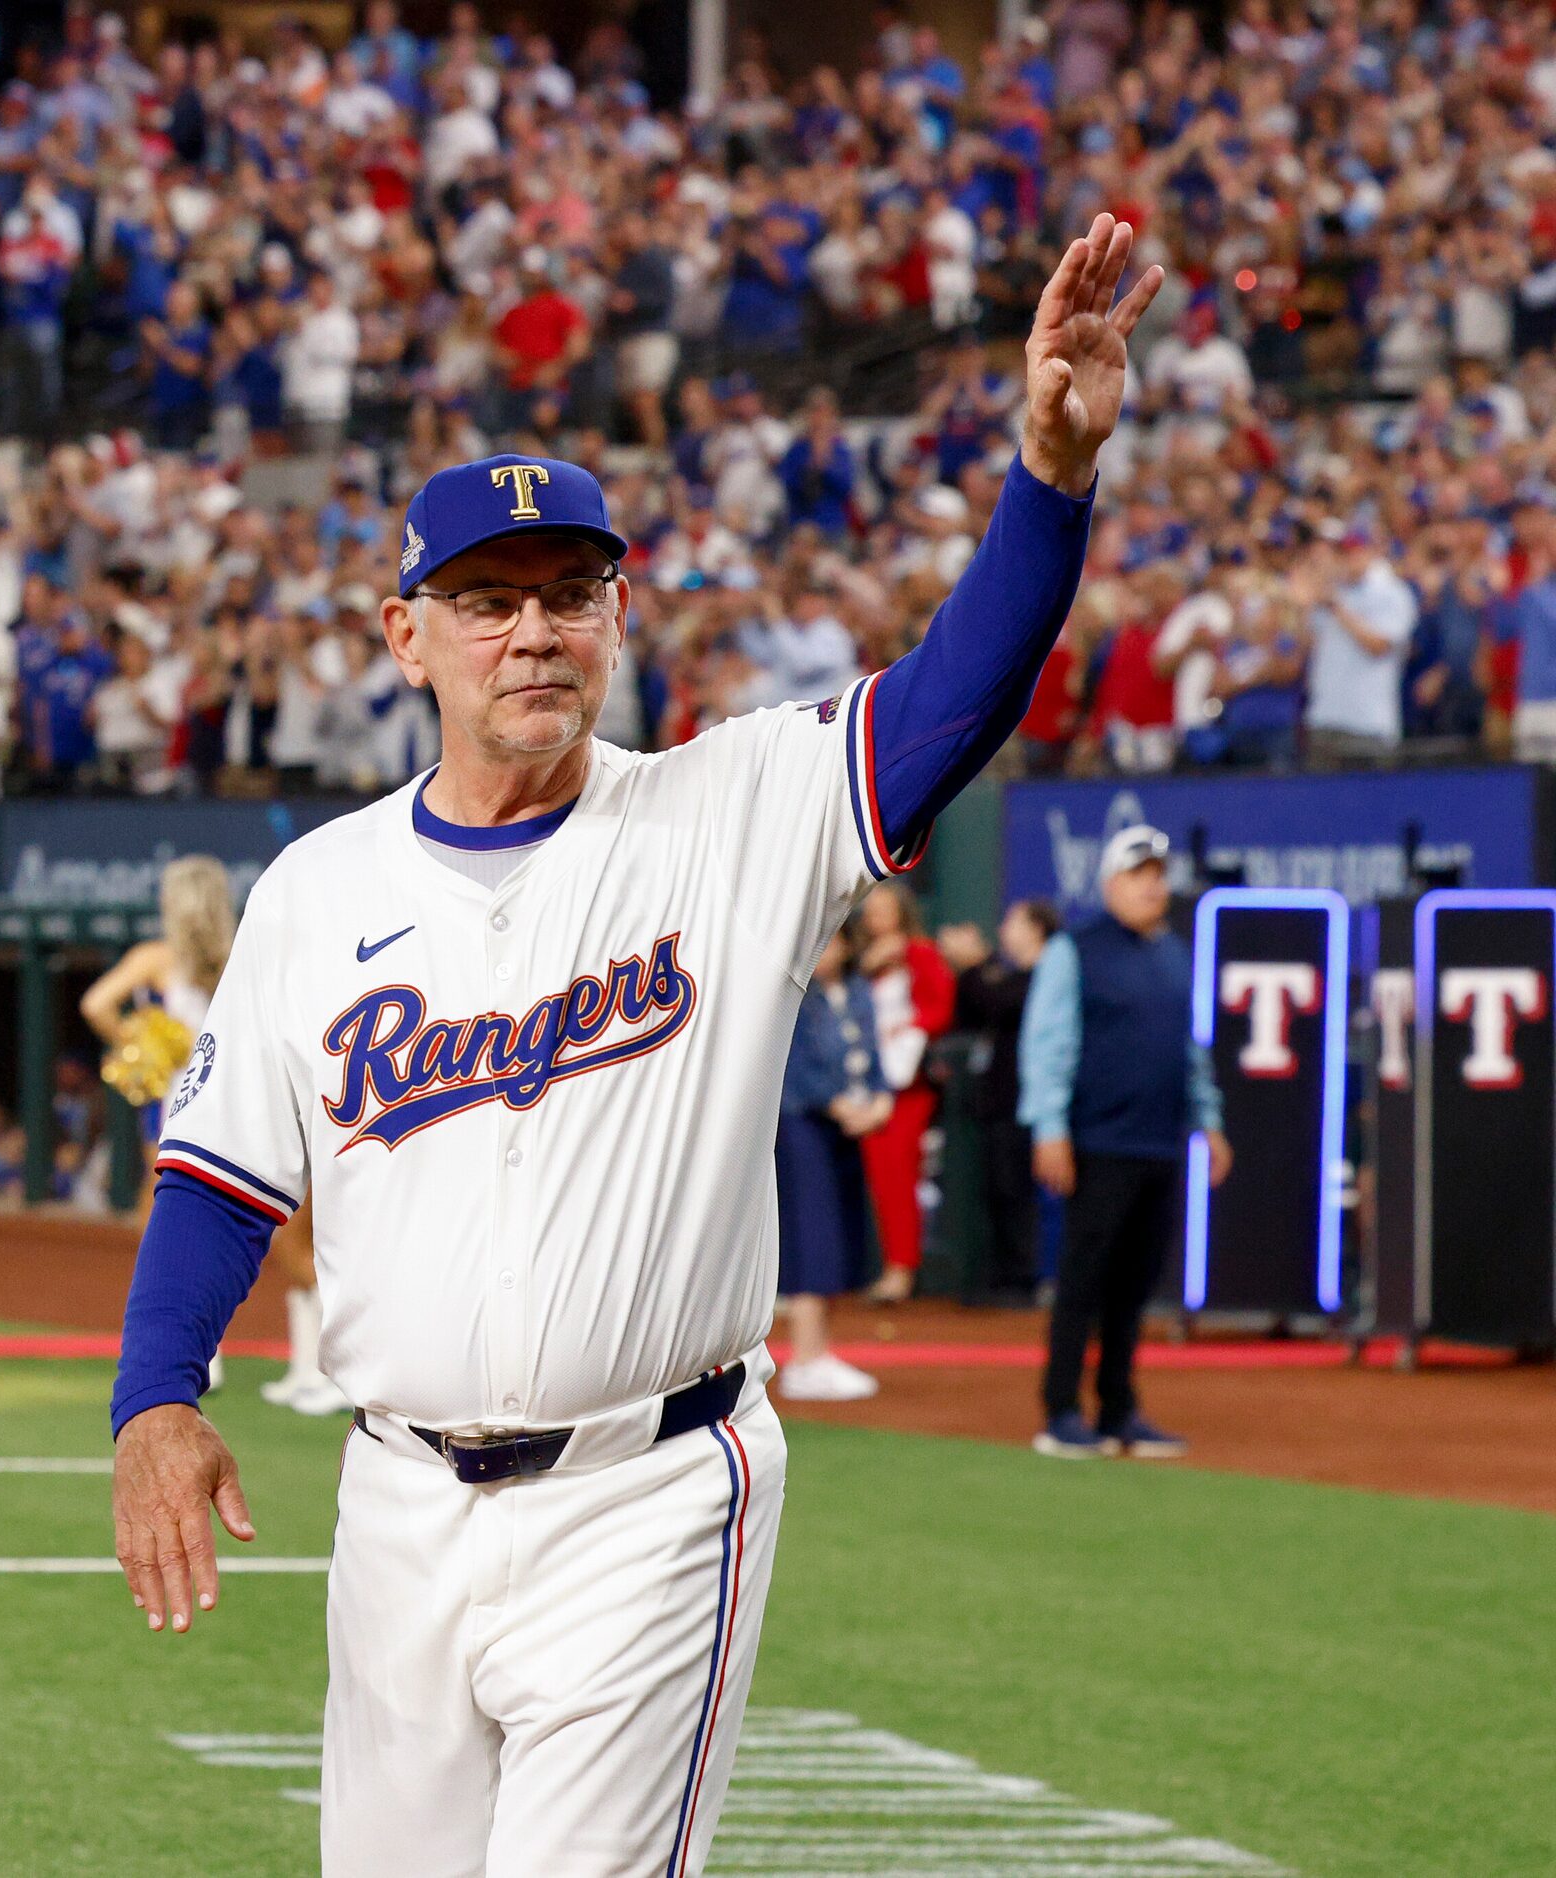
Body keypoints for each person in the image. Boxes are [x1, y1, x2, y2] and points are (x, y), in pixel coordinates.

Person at [108, 218, 1155, 1873]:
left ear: (617, 618)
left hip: (649, 1490)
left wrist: (1047, 466)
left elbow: (963, 687)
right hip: (396, 1503)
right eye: (487, 601)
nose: (532, 630)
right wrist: (154, 1398)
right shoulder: (318, 888)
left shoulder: (735, 803)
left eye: (567, 596)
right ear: (406, 637)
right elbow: (219, 1181)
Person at [86, 857, 343, 1414]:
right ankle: (309, 1369)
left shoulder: (157, 959)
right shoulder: (246, 957)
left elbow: (95, 1003)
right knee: (292, 1244)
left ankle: (323, 1366)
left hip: (187, 1118)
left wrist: (142, 1040)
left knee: (177, 1233)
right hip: (265, 1113)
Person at [1018, 825, 1229, 1462]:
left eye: (1158, 875)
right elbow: (1048, 1043)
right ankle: (1060, 1411)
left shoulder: (1173, 955)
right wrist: (1050, 1127)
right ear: (1111, 882)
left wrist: (1209, 1120)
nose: (1152, 886)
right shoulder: (1073, 950)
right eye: (1140, 874)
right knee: (1083, 1281)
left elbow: (1190, 1052)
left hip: (1158, 1143)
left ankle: (1116, 1409)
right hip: (1096, 1140)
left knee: (1134, 1287)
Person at [774, 922, 887, 1402]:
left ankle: (819, 1353)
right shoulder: (793, 993)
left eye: (838, 938)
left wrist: (880, 1102)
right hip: (802, 1125)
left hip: (846, 1130)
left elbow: (874, 1061)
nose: (829, 948)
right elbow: (793, 1066)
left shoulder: (859, 990)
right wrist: (838, 1103)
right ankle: (802, 1359)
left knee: (842, 1237)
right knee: (811, 1239)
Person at [945, 900, 1058, 1301]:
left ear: (1035, 929)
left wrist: (976, 961)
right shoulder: (1013, 977)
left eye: (1012, 920)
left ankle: (1021, 1278)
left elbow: (1001, 1001)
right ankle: (1004, 1277)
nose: (1004, 928)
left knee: (1015, 1194)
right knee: (998, 1192)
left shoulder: (1046, 979)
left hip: (1028, 1107)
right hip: (1000, 1104)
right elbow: (976, 1009)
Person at [854, 881, 953, 1303]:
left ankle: (902, 1270)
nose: (876, 918)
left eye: (885, 909)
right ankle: (887, 1265)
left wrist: (908, 1027)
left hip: (906, 1083)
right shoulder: (862, 960)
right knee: (880, 1178)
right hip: (866, 1082)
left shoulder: (920, 953)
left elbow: (940, 1008)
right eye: (871, 910)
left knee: (899, 1175)